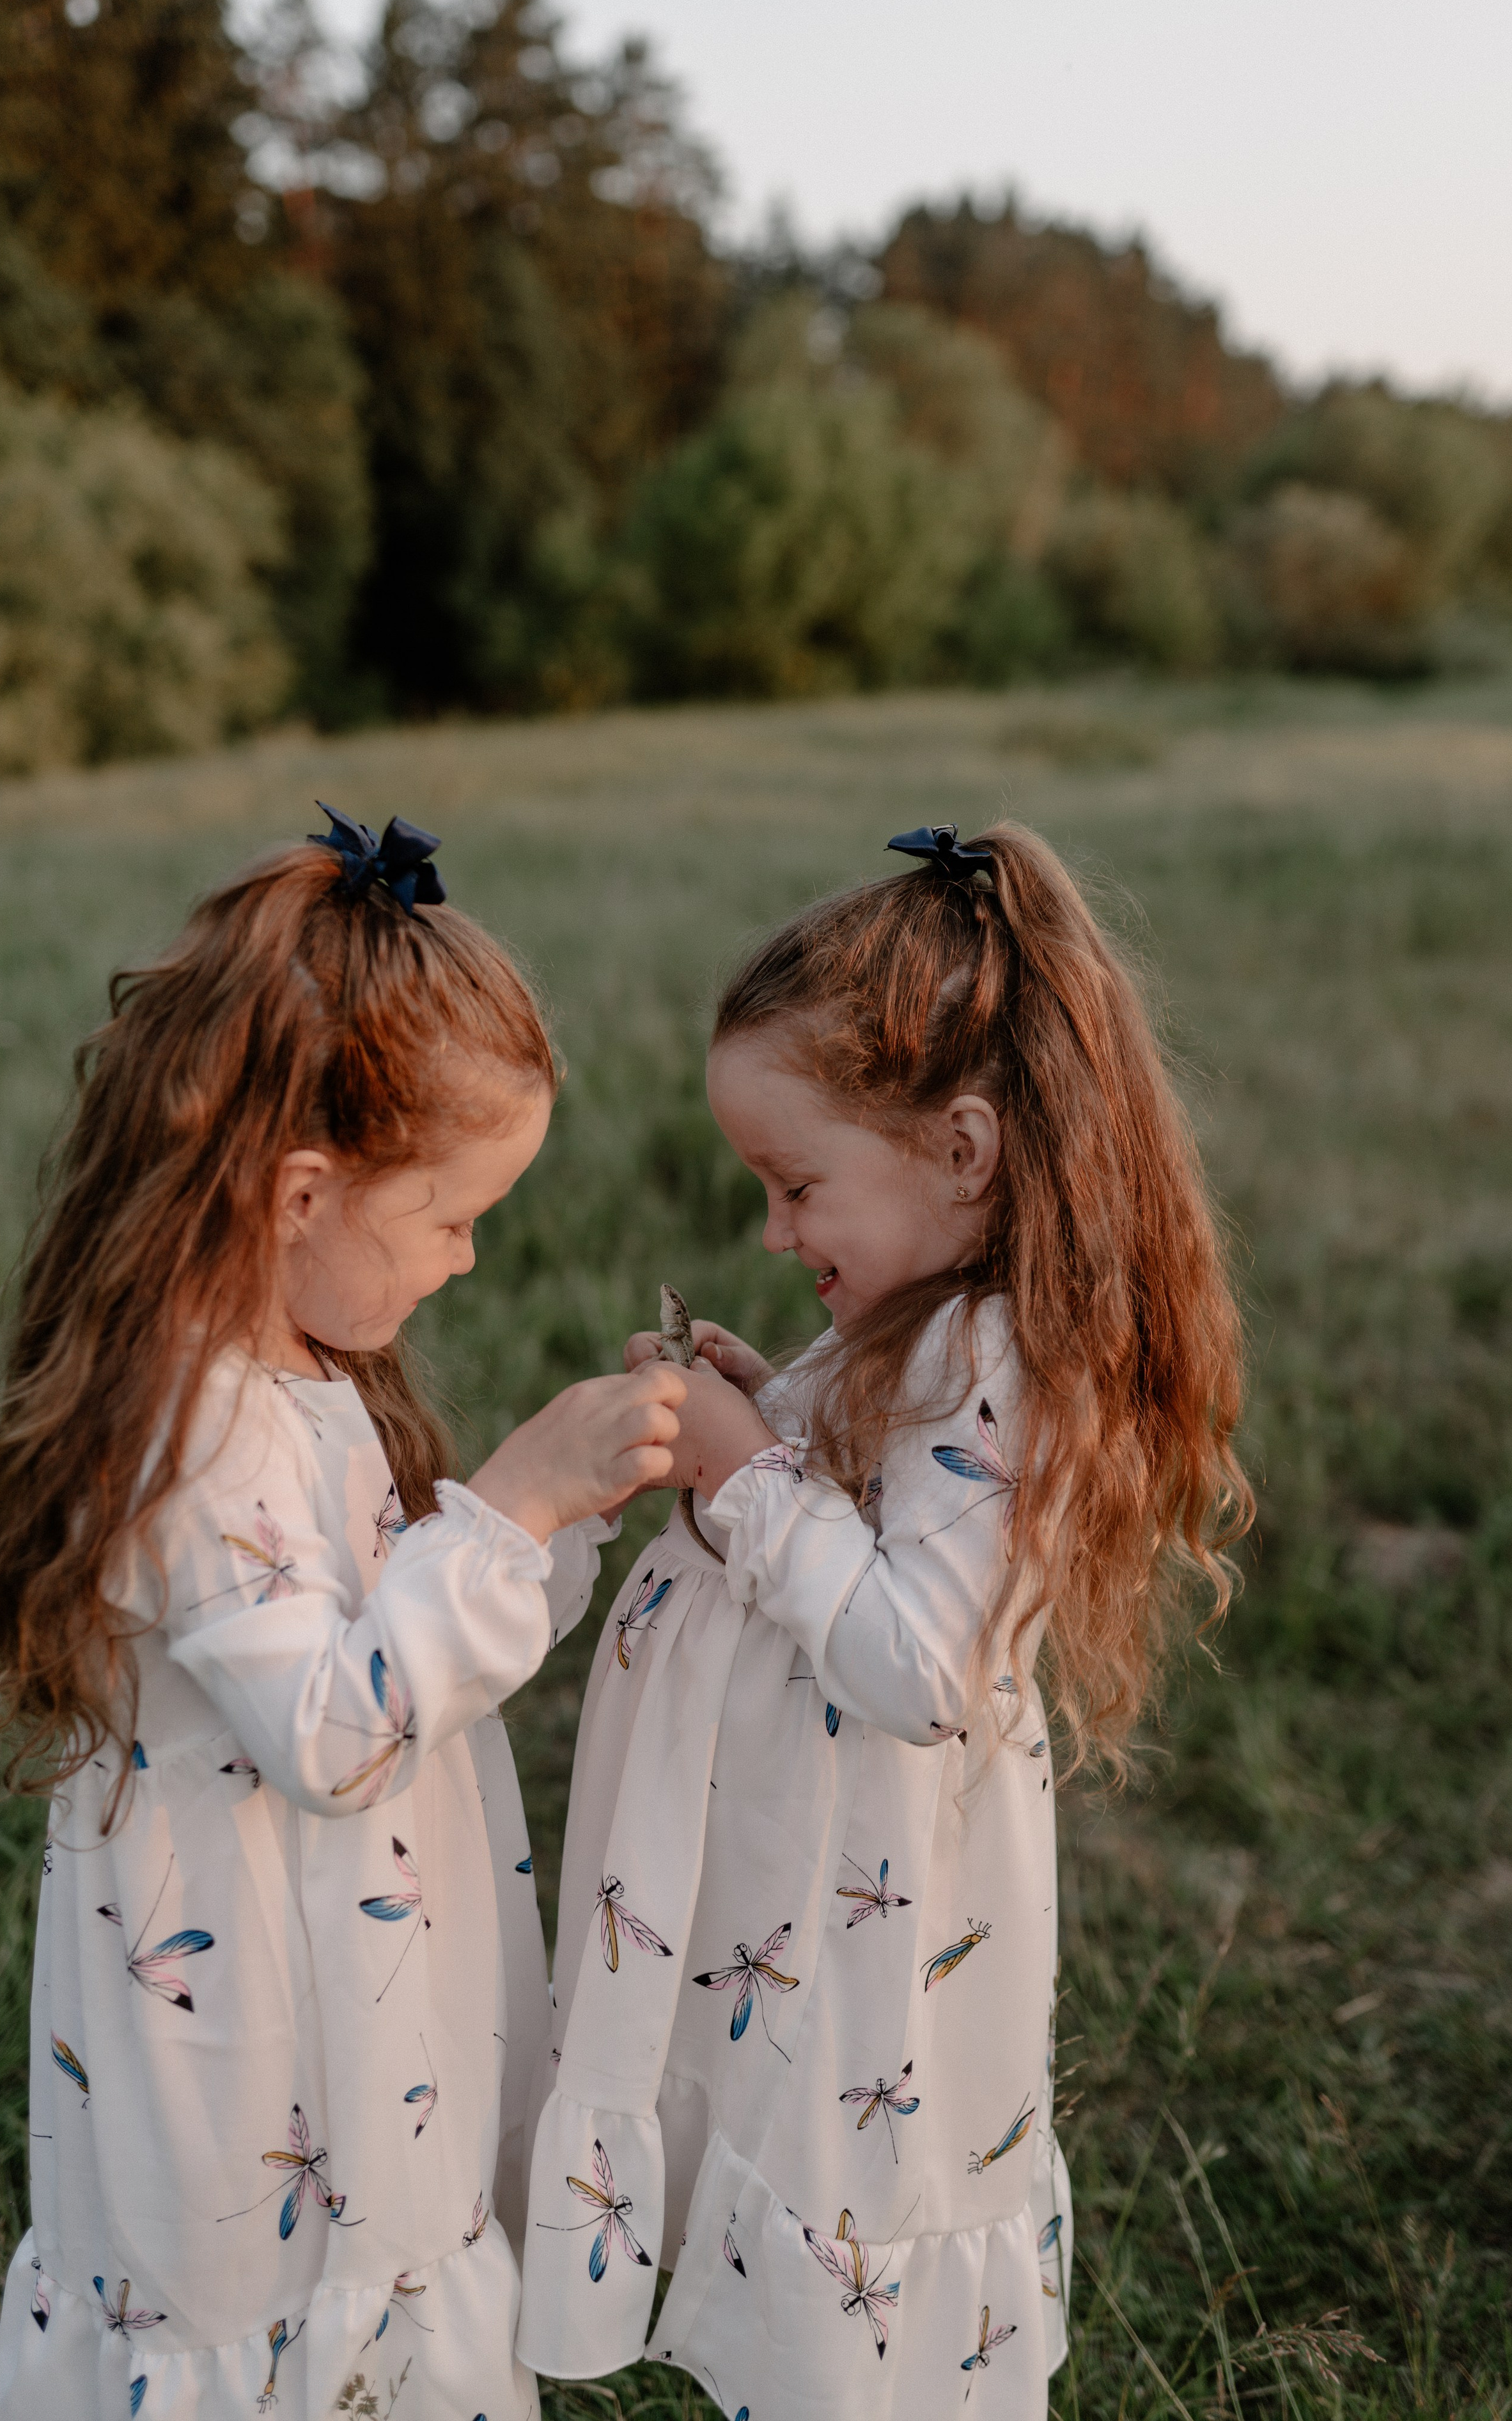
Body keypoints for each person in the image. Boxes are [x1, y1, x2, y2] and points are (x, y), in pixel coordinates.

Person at [517, 821, 1252, 2420]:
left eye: (795, 1185)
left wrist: (754, 1479)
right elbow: (847, 1514)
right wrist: (760, 1418)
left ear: (963, 1148)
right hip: (798, 1908)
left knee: (845, 2227)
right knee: (774, 2151)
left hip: (873, 1933)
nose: (776, 1231)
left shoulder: (1004, 1366)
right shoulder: (921, 1321)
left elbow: (920, 1659)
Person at [0, 808, 685, 2421]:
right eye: (445, 1218)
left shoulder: (294, 1374)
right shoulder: (191, 1427)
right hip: (245, 2025)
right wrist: (506, 1508)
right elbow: (333, 1729)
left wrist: (563, 1518)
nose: (470, 1257)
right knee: (269, 2314)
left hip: (351, 1996)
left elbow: (399, 1649)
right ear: (300, 1191)